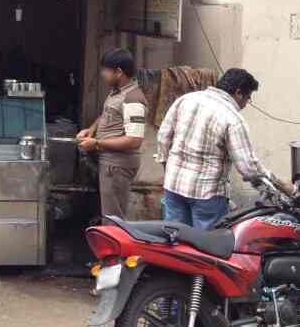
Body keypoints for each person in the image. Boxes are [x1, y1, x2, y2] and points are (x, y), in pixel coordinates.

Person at [157, 68, 292, 230]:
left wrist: (168, 169)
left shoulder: (185, 100)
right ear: (238, 93)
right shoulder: (232, 118)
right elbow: (248, 168)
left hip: (173, 186)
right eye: (248, 98)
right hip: (207, 195)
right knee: (207, 248)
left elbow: (163, 137)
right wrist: (278, 184)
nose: (245, 105)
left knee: (175, 241)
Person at [78, 48, 147, 223]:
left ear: (118, 72)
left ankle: (116, 251)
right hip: (110, 163)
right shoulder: (117, 93)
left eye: (105, 71)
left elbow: (134, 141)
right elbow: (107, 114)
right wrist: (91, 130)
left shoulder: (133, 99)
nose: (102, 74)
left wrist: (97, 143)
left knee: (113, 220)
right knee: (109, 215)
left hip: (117, 166)